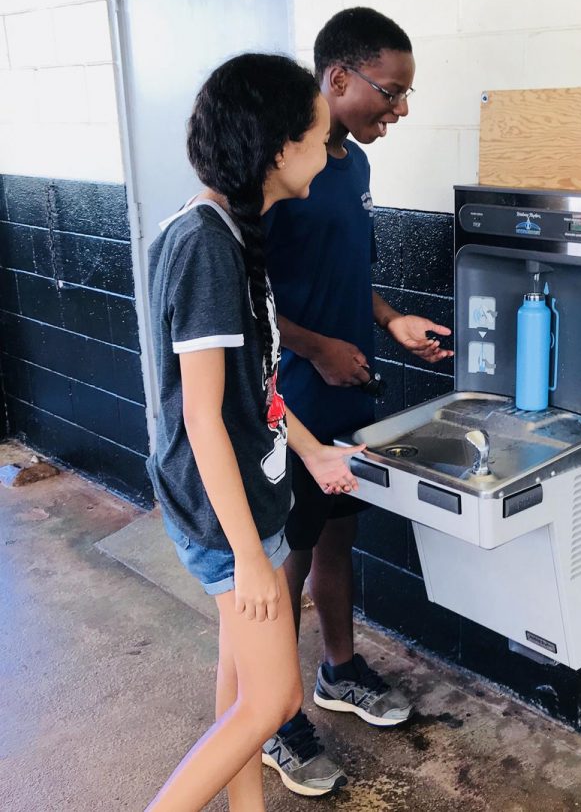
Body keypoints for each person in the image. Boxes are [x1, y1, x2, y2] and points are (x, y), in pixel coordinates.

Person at [144, 52, 363, 811]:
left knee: (240, 686)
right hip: (225, 515)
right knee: (272, 704)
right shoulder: (205, 242)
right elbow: (202, 417)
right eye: (317, 134)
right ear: (277, 149)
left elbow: (256, 391)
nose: (328, 148)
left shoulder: (236, 236)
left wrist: (313, 451)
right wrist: (245, 557)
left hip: (249, 498)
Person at [261, 7, 452, 795]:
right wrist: (312, 347)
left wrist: (389, 320)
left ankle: (339, 670)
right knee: (285, 563)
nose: (399, 110)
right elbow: (245, 303)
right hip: (297, 403)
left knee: (337, 542)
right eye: (391, 91)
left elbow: (347, 279)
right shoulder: (279, 173)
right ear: (337, 79)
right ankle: (274, 716)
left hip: (352, 393)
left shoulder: (354, 168)